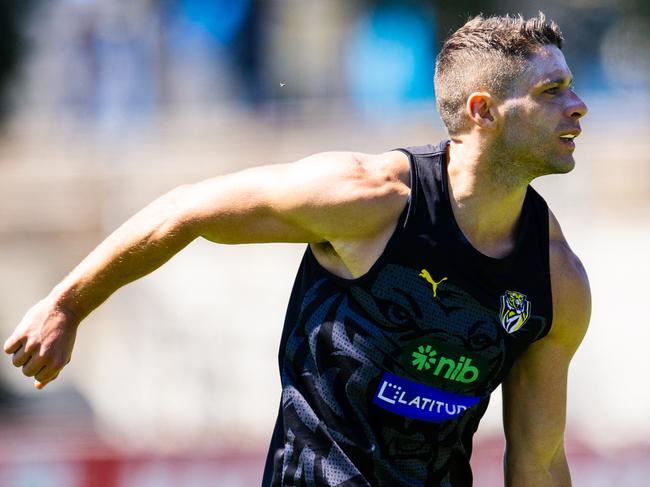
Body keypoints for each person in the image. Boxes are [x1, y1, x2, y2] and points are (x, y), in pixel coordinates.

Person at [3, 12, 590, 487]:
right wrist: (68, 304)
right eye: (552, 90)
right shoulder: (368, 198)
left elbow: (536, 463)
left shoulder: (555, 278)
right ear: (482, 111)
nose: (578, 105)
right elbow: (186, 209)